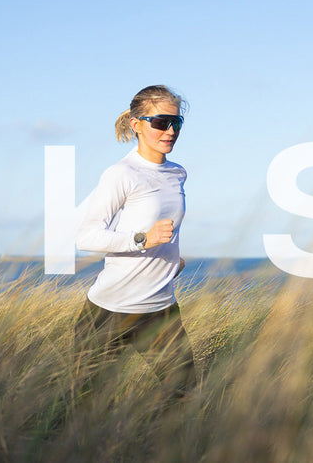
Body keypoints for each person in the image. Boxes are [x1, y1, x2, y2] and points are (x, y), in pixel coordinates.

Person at [71, 85, 196, 403]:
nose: (170, 131)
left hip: (161, 309)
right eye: (160, 122)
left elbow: (168, 232)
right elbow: (85, 235)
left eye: (176, 123)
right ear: (136, 124)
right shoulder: (120, 174)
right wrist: (142, 240)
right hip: (109, 312)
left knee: (185, 398)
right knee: (85, 407)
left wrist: (171, 261)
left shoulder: (177, 174)